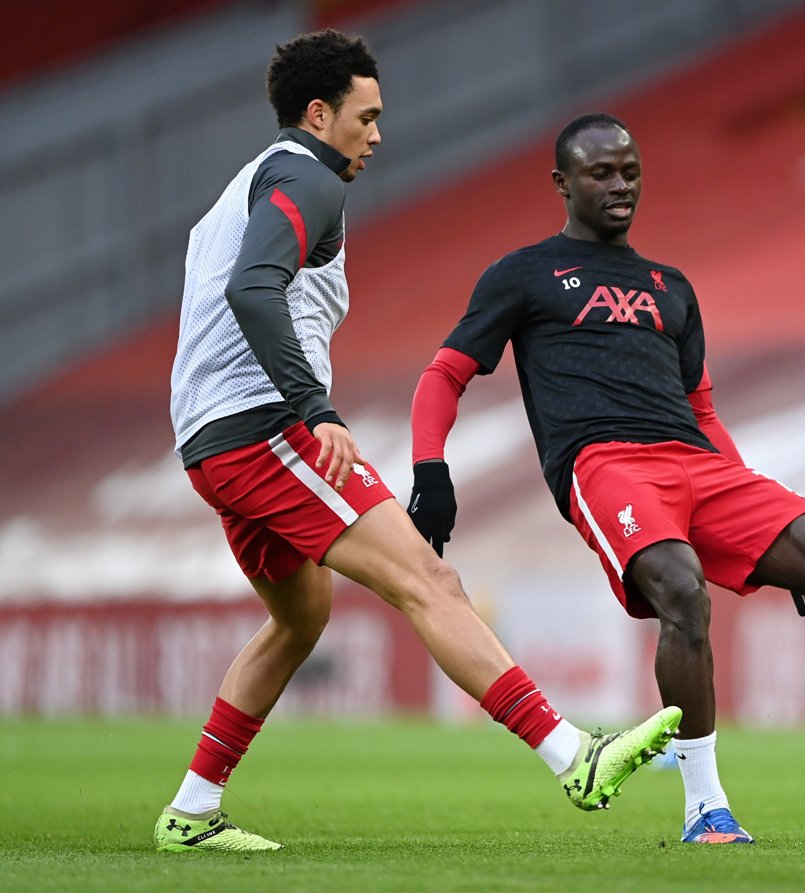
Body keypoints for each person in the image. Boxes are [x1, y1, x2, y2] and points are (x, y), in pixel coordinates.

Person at [407, 112, 805, 844]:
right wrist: (430, 467)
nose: (621, 185)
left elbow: (702, 409)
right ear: (562, 183)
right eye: (601, 173)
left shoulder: (671, 286)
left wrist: (770, 532)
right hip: (605, 464)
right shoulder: (523, 273)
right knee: (682, 590)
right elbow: (445, 374)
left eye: (630, 171)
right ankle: (704, 806)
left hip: (699, 464)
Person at [159, 40, 680, 853]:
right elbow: (252, 286)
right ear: (319, 114)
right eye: (365, 117)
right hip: (266, 426)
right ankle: (573, 755)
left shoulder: (249, 183)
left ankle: (191, 810)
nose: (376, 134)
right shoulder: (310, 178)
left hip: (208, 437)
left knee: (300, 616)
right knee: (428, 579)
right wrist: (314, 408)